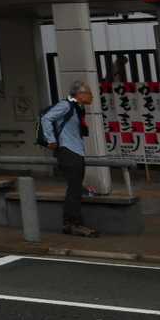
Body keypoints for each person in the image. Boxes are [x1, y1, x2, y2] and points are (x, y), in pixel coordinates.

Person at [41, 81, 98, 237]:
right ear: (79, 94)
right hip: (68, 151)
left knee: (76, 188)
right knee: (74, 189)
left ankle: (73, 223)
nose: (91, 97)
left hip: (75, 151)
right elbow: (46, 118)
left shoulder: (77, 108)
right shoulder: (66, 105)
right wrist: (51, 140)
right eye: (89, 93)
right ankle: (72, 224)